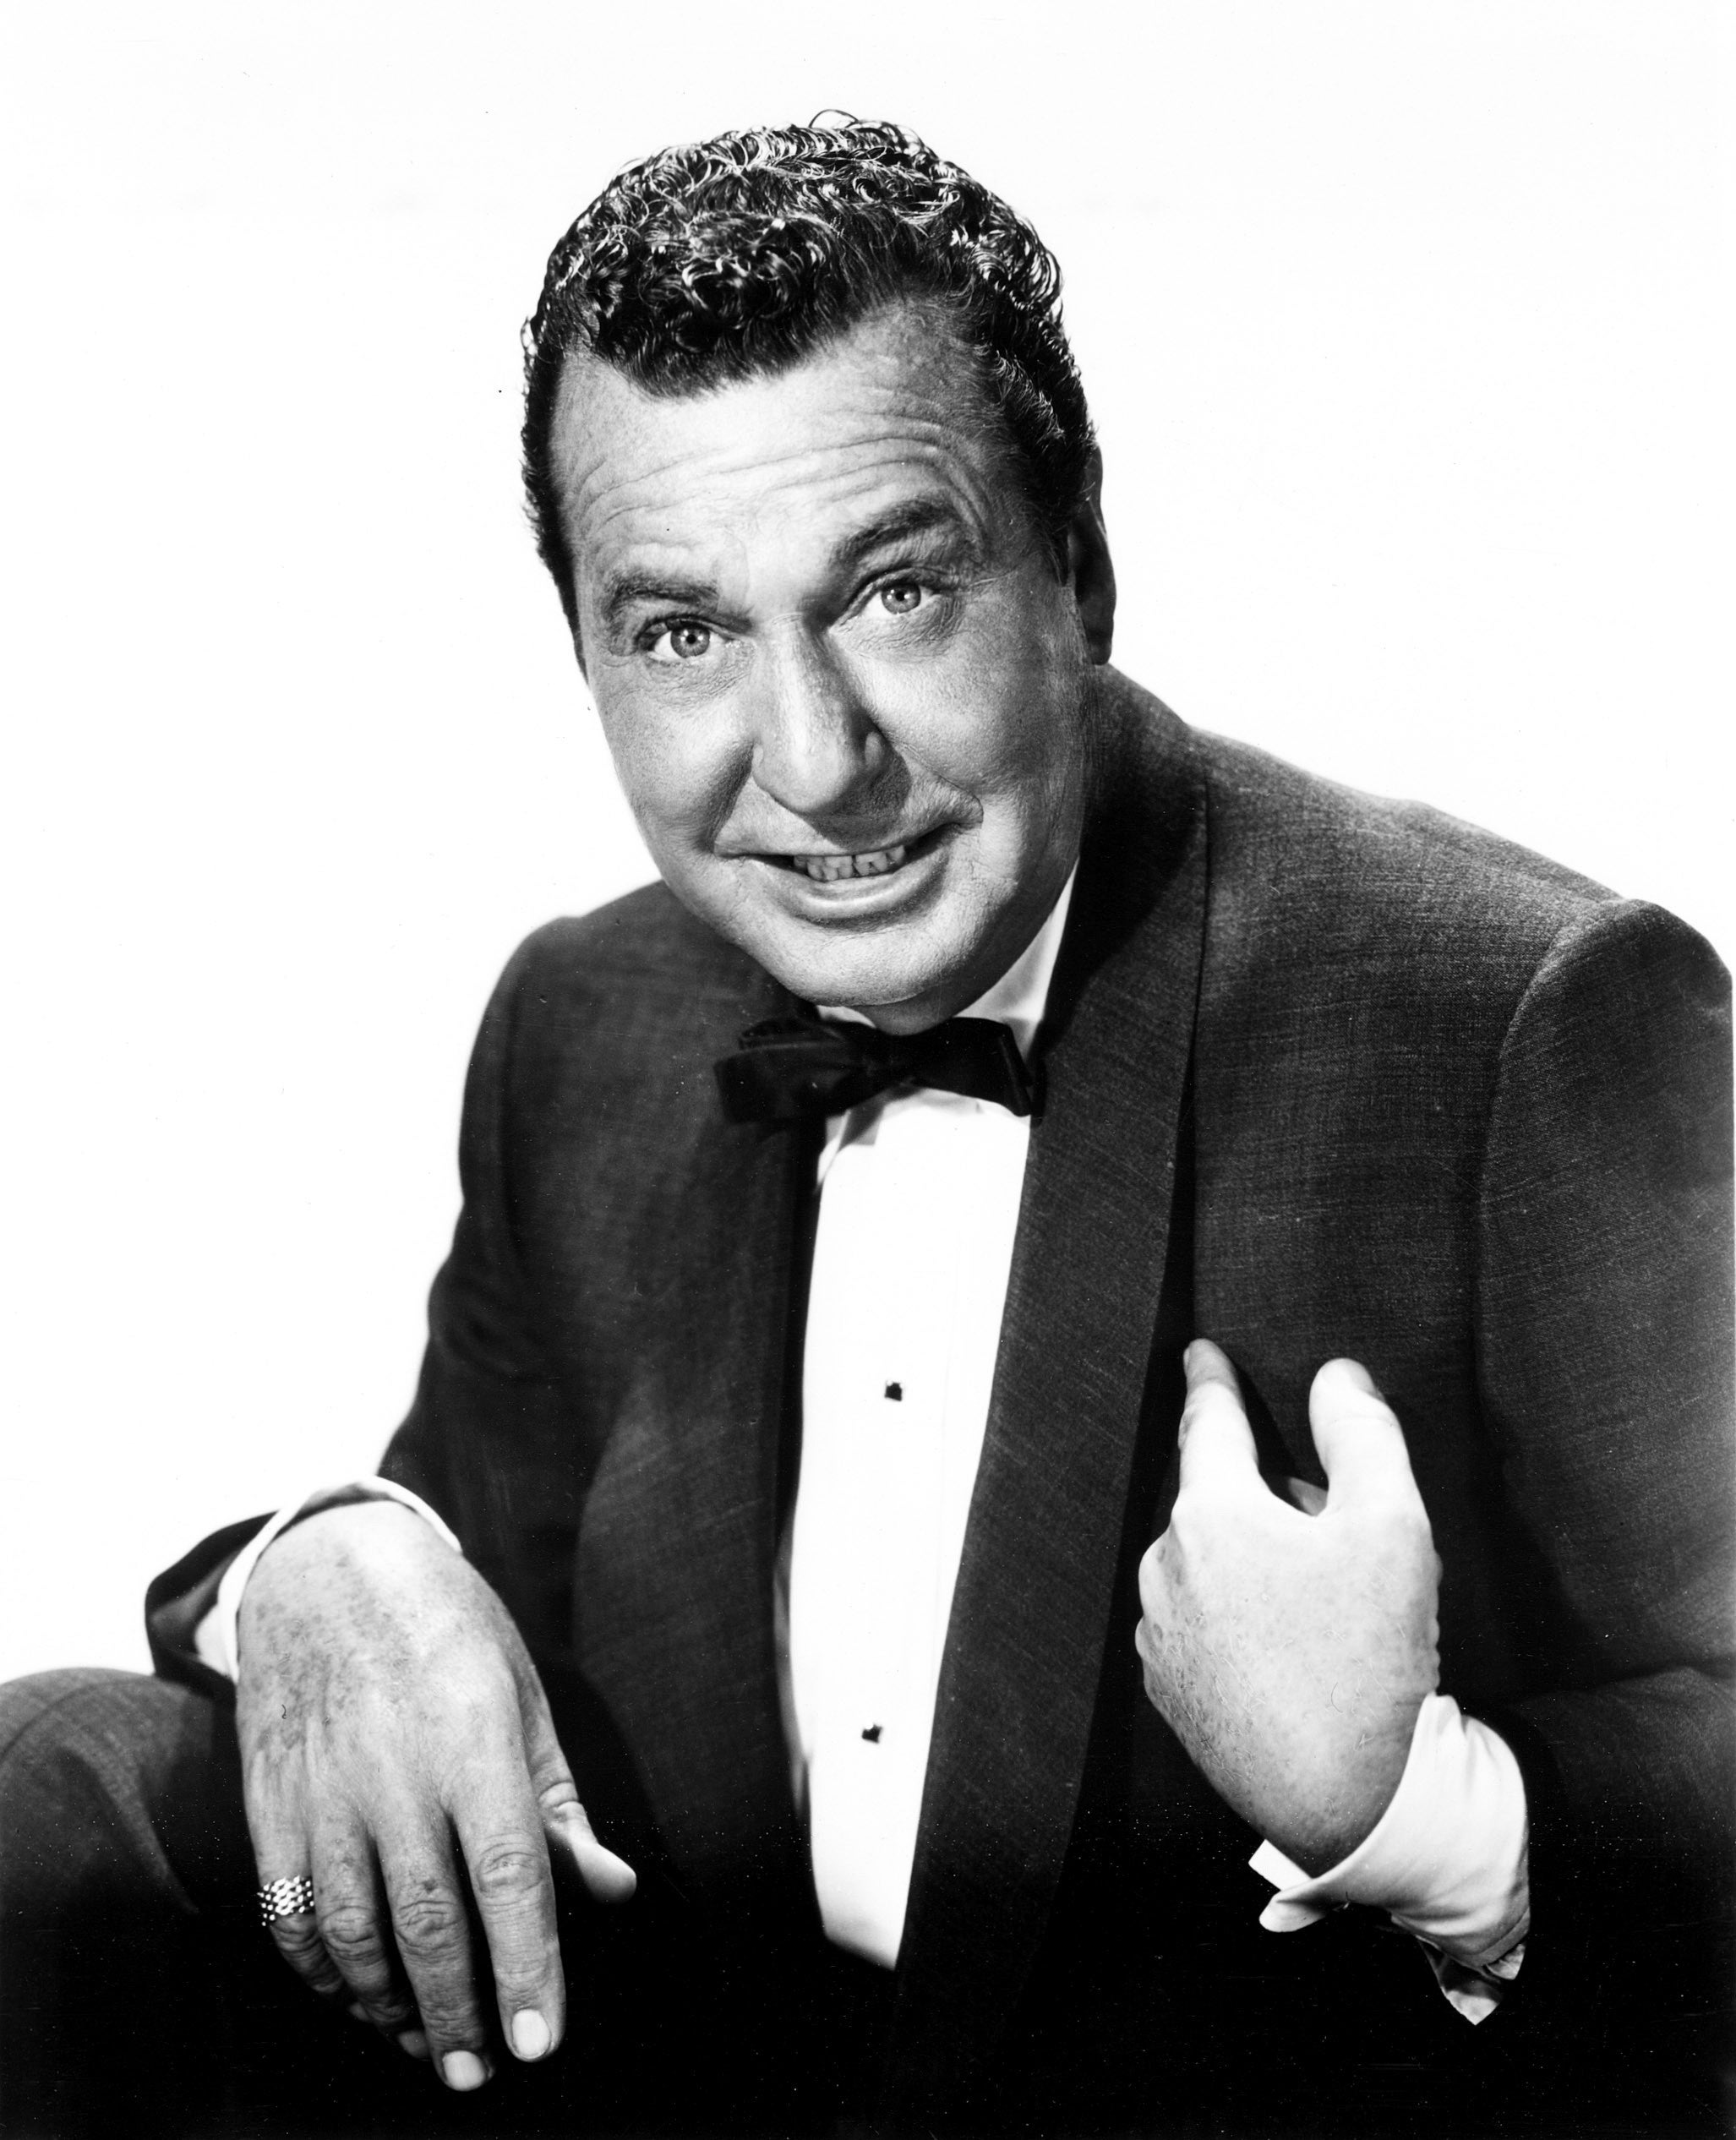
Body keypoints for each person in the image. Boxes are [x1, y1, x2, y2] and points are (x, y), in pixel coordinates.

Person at [1, 118, 1729, 2140]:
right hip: (687, 2111)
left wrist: (1416, 1804)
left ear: (1076, 573)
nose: (815, 766)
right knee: (58, 1791)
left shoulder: (1526, 1014)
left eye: (897, 592)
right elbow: (452, 1614)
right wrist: (322, 1564)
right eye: (684, 632)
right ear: (585, 651)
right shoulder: (586, 1022)